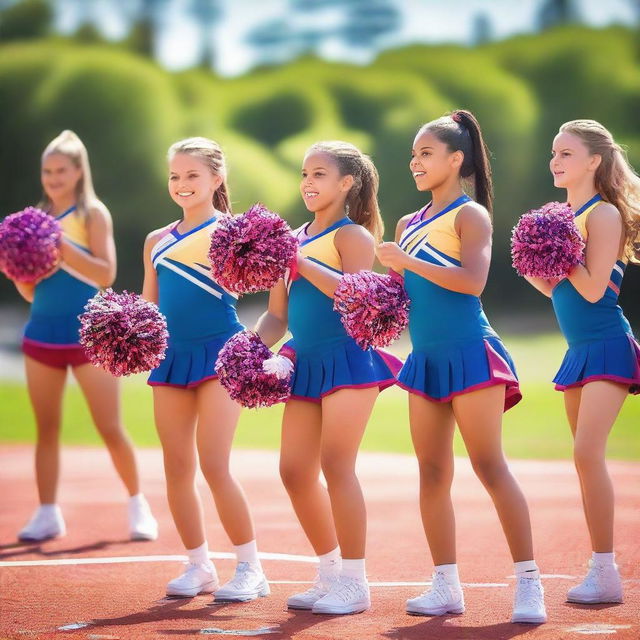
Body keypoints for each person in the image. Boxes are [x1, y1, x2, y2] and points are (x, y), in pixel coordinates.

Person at [376, 110, 546, 624]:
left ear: (456, 159)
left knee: (489, 466)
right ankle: (445, 584)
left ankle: (529, 583)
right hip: (425, 358)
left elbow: (472, 282)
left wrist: (405, 263)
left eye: (426, 153)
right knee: (431, 471)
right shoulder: (408, 223)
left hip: (471, 351)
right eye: (413, 154)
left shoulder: (471, 215)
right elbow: (407, 297)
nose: (415, 162)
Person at [255, 141, 400, 615]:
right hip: (305, 364)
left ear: (346, 183)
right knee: (294, 471)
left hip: (348, 359)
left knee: (337, 466)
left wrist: (300, 262)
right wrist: (251, 348)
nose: (308, 183)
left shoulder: (351, 235)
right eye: (304, 174)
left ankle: (356, 583)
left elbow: (361, 299)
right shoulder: (291, 238)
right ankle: (330, 571)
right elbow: (278, 315)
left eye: (319, 174)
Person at [14, 130, 157, 543]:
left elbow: (104, 274)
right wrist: (19, 272)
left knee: (110, 426)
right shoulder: (33, 218)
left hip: (89, 338)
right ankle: (46, 513)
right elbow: (28, 290)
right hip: (41, 335)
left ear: (78, 172)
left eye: (61, 170)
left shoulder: (92, 214)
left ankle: (137, 504)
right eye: (47, 171)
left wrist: (58, 243)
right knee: (46, 428)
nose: (53, 178)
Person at [142, 137, 268, 601]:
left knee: (215, 464)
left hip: (220, 354)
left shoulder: (233, 232)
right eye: (175, 176)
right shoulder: (156, 240)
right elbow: (148, 310)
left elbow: (275, 288)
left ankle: (251, 568)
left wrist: (260, 344)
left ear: (217, 179)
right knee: (176, 466)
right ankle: (198, 564)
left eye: (192, 175)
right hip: (171, 358)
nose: (182, 184)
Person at [525, 119, 640, 604]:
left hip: (607, 344)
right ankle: (601, 567)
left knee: (586, 454)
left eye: (566, 153)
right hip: (579, 351)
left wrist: (559, 248)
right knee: (582, 459)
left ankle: (605, 572)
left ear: (594, 161)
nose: (556, 160)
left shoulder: (603, 215)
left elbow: (594, 289)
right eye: (554, 152)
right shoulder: (565, 213)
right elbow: (555, 290)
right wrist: (536, 260)